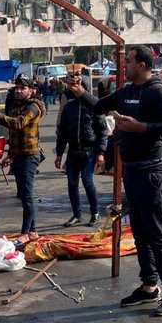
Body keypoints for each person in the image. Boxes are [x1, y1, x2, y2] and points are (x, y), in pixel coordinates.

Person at [70, 45, 162, 317]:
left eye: (129, 61)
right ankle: (149, 285)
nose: (125, 65)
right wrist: (79, 92)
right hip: (132, 170)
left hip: (152, 171)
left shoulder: (157, 91)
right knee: (140, 232)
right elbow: (99, 106)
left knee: (157, 232)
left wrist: (139, 127)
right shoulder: (127, 90)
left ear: (143, 65)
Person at [0, 76, 45, 235]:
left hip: (29, 155)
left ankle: (25, 232)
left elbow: (19, 123)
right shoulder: (17, 106)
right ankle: (32, 231)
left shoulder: (32, 107)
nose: (18, 91)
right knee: (24, 195)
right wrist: (10, 156)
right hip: (19, 155)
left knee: (27, 196)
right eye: (17, 88)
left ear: (31, 90)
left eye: (22, 88)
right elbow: (14, 134)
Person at [55, 70, 107, 226]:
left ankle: (95, 213)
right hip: (73, 150)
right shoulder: (69, 107)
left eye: (79, 85)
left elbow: (103, 130)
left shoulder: (94, 106)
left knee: (87, 181)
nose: (75, 88)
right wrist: (59, 154)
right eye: (73, 86)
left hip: (90, 150)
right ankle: (77, 214)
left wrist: (101, 152)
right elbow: (63, 131)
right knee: (72, 183)